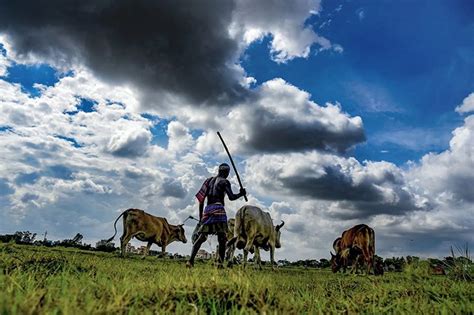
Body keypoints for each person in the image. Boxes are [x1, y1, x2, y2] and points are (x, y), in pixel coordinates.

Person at [186, 163, 246, 268]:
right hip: (218, 210)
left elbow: (201, 200)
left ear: (218, 171)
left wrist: (201, 218)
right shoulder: (225, 182)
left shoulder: (208, 181)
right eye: (228, 173)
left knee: (201, 237)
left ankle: (190, 261)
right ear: (226, 172)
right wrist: (241, 194)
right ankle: (219, 264)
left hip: (207, 210)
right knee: (222, 238)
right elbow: (231, 197)